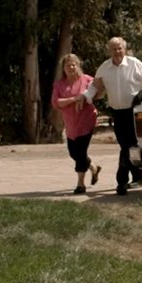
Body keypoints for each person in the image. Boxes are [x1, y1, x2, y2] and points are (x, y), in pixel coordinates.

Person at [75, 37, 142, 196]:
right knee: (127, 147)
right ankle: (138, 176)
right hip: (118, 113)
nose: (117, 51)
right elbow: (95, 86)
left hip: (135, 112)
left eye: (119, 48)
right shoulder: (104, 68)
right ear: (109, 51)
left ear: (125, 49)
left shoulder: (134, 63)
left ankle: (122, 180)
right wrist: (84, 96)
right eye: (114, 49)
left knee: (131, 146)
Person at [51, 53, 102, 194]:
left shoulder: (87, 80)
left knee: (80, 152)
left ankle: (81, 184)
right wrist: (75, 99)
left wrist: (86, 96)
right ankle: (93, 167)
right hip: (70, 124)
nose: (71, 67)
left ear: (78, 65)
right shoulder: (59, 84)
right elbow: (56, 102)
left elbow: (99, 91)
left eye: (74, 64)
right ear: (64, 68)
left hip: (87, 120)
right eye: (68, 65)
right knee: (73, 153)